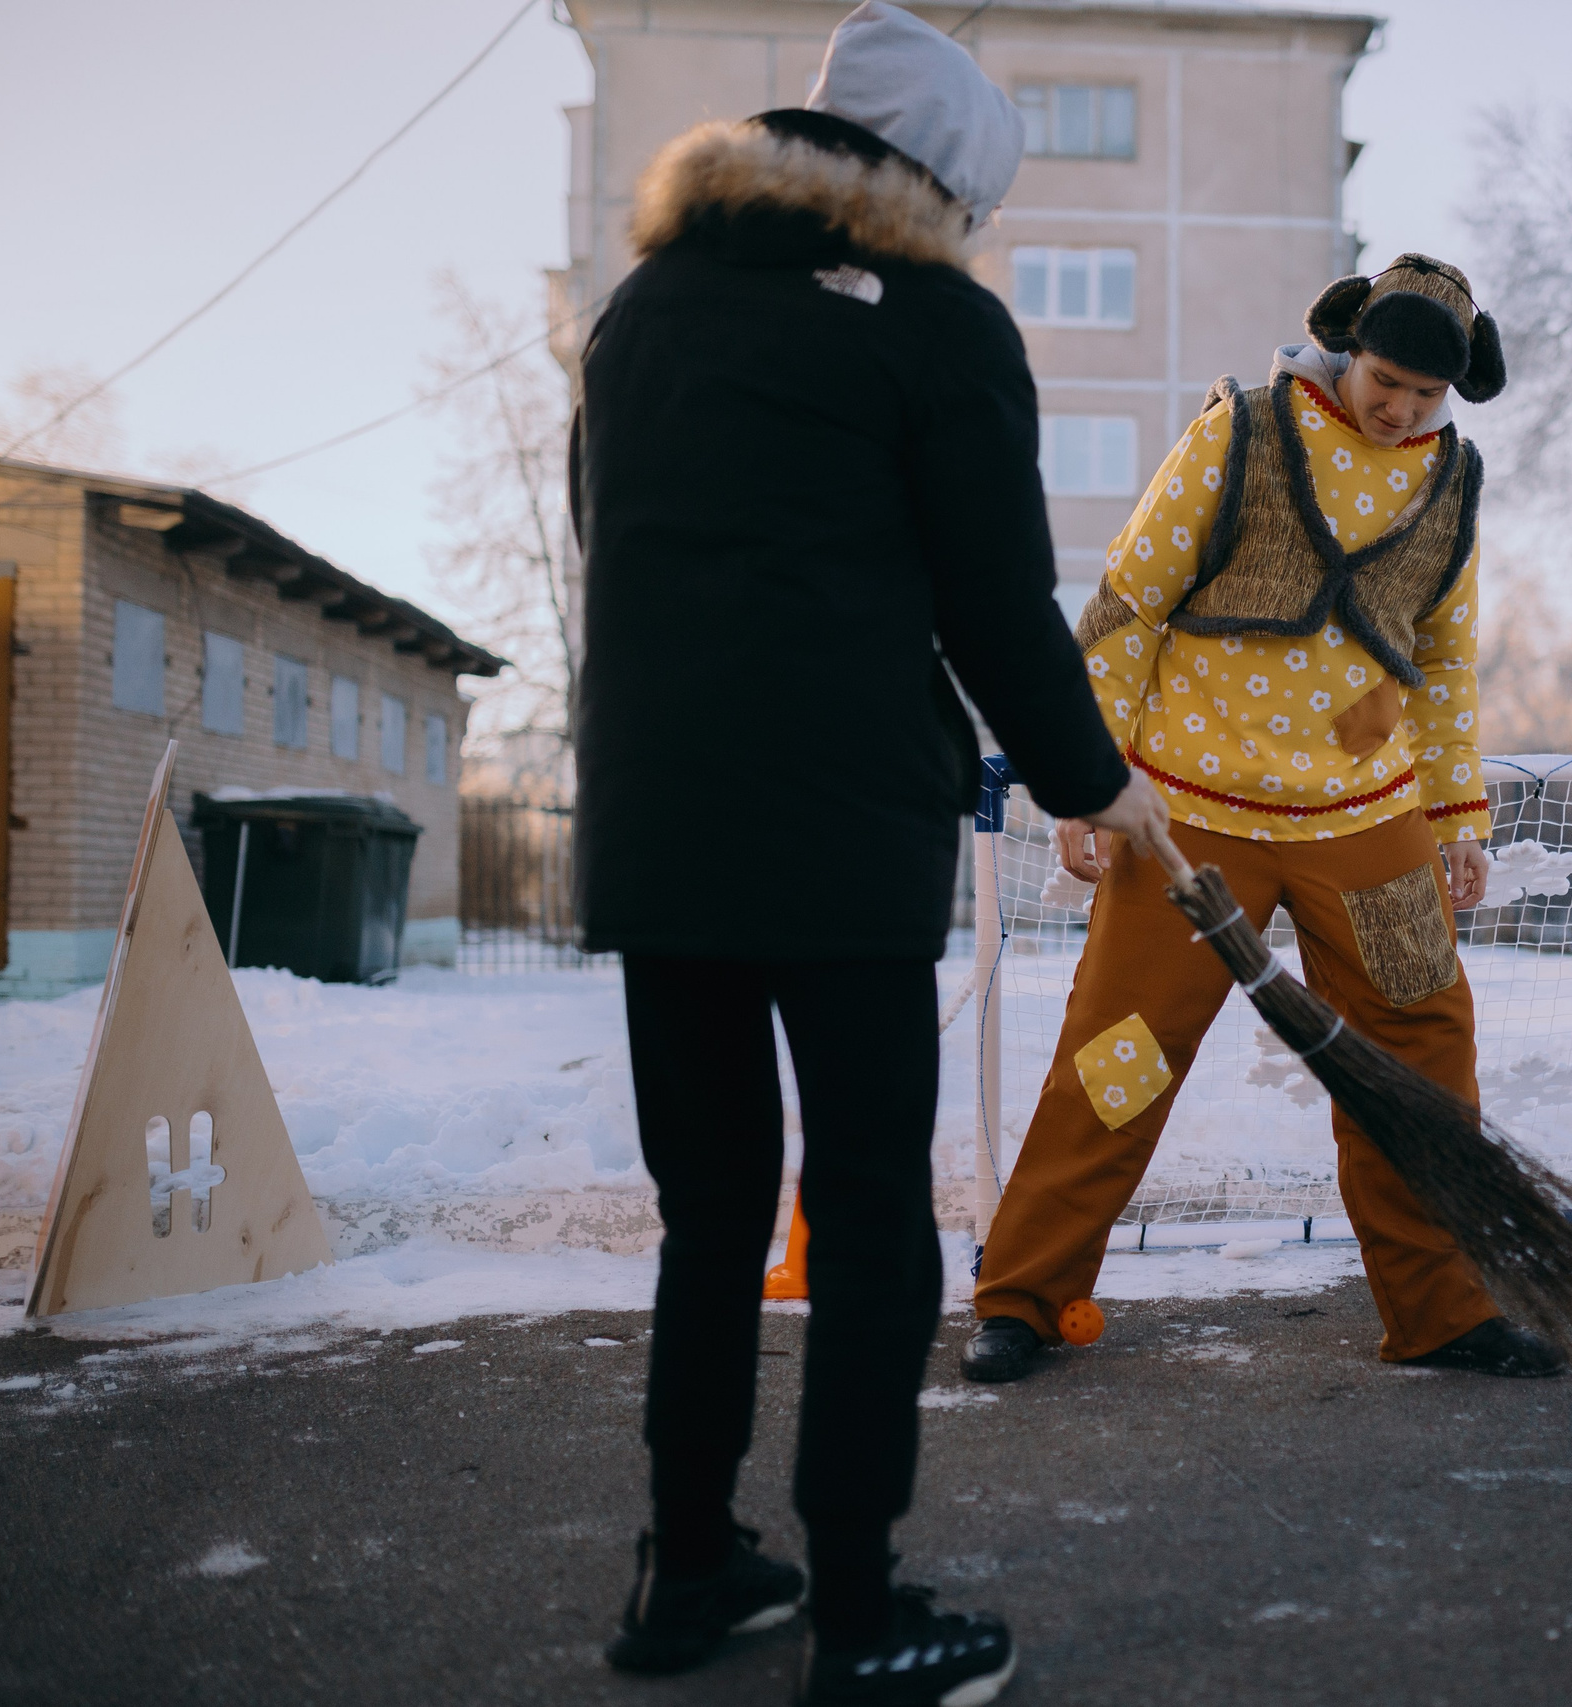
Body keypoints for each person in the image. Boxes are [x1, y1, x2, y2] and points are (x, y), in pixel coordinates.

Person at [568, 4, 1165, 1700]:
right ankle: (859, 1611)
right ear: (940, 186)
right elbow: (994, 597)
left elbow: (612, 545)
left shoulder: (642, 310)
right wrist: (1094, 780)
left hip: (662, 823)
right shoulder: (936, 322)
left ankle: (689, 1566)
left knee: (709, 1213)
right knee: (872, 1217)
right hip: (838, 833)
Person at [963, 255, 1569, 1386]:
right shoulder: (1240, 431)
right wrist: (1083, 780)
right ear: (1349, 351)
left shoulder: (1454, 481)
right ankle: (1024, 1300)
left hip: (1369, 814)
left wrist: (1456, 816)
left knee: (1423, 1054)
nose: (1400, 409)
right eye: (1385, 381)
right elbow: (1130, 601)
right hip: (1189, 812)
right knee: (1118, 1053)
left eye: (1425, 394)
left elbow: (1442, 658)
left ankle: (1443, 1313)